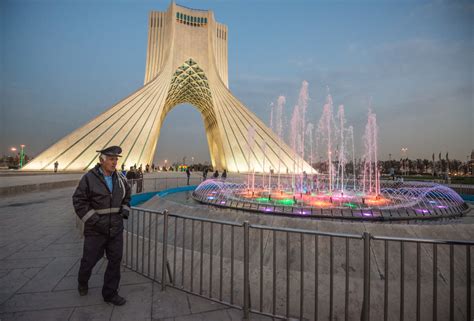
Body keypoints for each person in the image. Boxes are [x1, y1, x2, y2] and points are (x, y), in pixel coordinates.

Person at [72, 145, 131, 306]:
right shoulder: (89, 178)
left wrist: (124, 211)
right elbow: (79, 200)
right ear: (101, 160)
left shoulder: (120, 179)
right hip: (96, 230)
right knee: (89, 260)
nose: (114, 163)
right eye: (111, 159)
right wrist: (95, 221)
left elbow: (128, 196)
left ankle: (110, 293)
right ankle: (82, 281)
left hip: (115, 229)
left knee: (115, 261)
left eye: (116, 159)